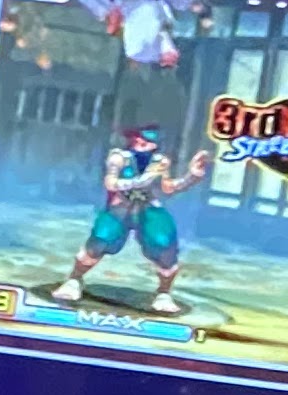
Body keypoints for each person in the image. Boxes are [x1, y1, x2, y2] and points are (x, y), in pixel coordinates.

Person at [54, 126, 214, 314]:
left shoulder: (160, 162)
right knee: (101, 238)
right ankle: (74, 280)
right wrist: (141, 181)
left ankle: (163, 293)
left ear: (155, 144)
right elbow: (111, 183)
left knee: (163, 244)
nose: (141, 142)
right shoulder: (118, 158)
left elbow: (167, 188)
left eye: (147, 139)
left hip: (148, 208)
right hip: (120, 207)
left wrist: (192, 176)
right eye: (138, 138)